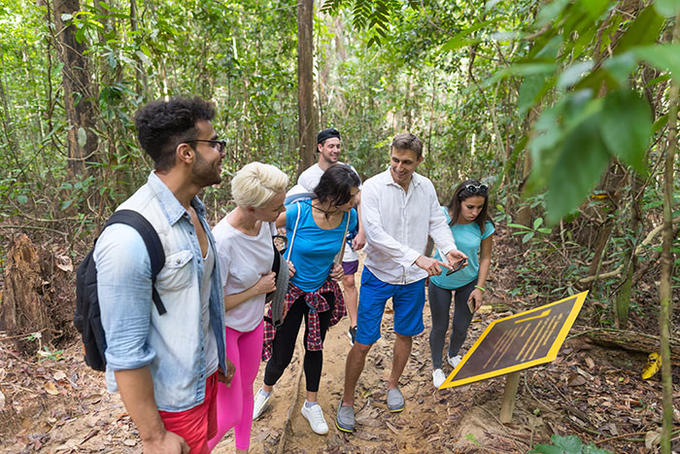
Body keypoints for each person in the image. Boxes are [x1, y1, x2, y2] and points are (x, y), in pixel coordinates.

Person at [95, 96, 234, 453]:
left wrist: (217, 358)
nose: (221, 152)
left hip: (203, 380)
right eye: (214, 143)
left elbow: (200, 300)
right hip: (174, 404)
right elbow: (124, 350)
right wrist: (154, 437)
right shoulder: (129, 238)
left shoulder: (193, 209)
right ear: (186, 153)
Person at [336, 133, 467, 433]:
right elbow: (376, 235)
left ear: (419, 160)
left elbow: (436, 221)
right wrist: (417, 258)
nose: (399, 167)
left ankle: (392, 384)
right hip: (379, 275)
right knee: (363, 341)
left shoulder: (426, 187)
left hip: (413, 280)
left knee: (405, 334)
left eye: (407, 162)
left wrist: (448, 249)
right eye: (395, 160)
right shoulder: (373, 187)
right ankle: (347, 400)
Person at [253, 165, 360, 435]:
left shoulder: (349, 217)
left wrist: (337, 268)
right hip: (291, 293)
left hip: (321, 292)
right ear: (332, 196)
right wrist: (278, 261)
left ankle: (311, 404)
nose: (355, 201)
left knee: (315, 347)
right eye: (350, 196)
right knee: (282, 353)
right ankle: (265, 391)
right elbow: (259, 227)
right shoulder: (298, 212)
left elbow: (340, 247)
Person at [209, 162, 291, 453]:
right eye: (276, 207)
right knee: (229, 411)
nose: (282, 212)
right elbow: (212, 304)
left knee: (245, 392)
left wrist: (278, 285)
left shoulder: (264, 221)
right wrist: (256, 289)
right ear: (251, 207)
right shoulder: (222, 242)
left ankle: (242, 449)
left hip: (254, 322)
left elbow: (268, 260)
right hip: (226, 330)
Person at [296, 128, 365, 345]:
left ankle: (354, 325)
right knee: (325, 277)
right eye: (331, 146)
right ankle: (312, 316)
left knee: (348, 278)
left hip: (344, 233)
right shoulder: (307, 177)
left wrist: (361, 231)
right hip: (319, 240)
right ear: (320, 147)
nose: (335, 150)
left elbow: (359, 202)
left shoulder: (349, 172)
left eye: (338, 146)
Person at [429, 180, 494, 389]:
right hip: (440, 280)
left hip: (469, 281)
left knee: (461, 325)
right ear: (459, 202)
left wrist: (480, 288)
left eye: (480, 207)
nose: (475, 212)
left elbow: (485, 257)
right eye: (470, 207)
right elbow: (427, 240)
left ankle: (453, 354)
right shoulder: (441, 216)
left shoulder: (484, 225)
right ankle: (437, 367)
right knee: (440, 326)